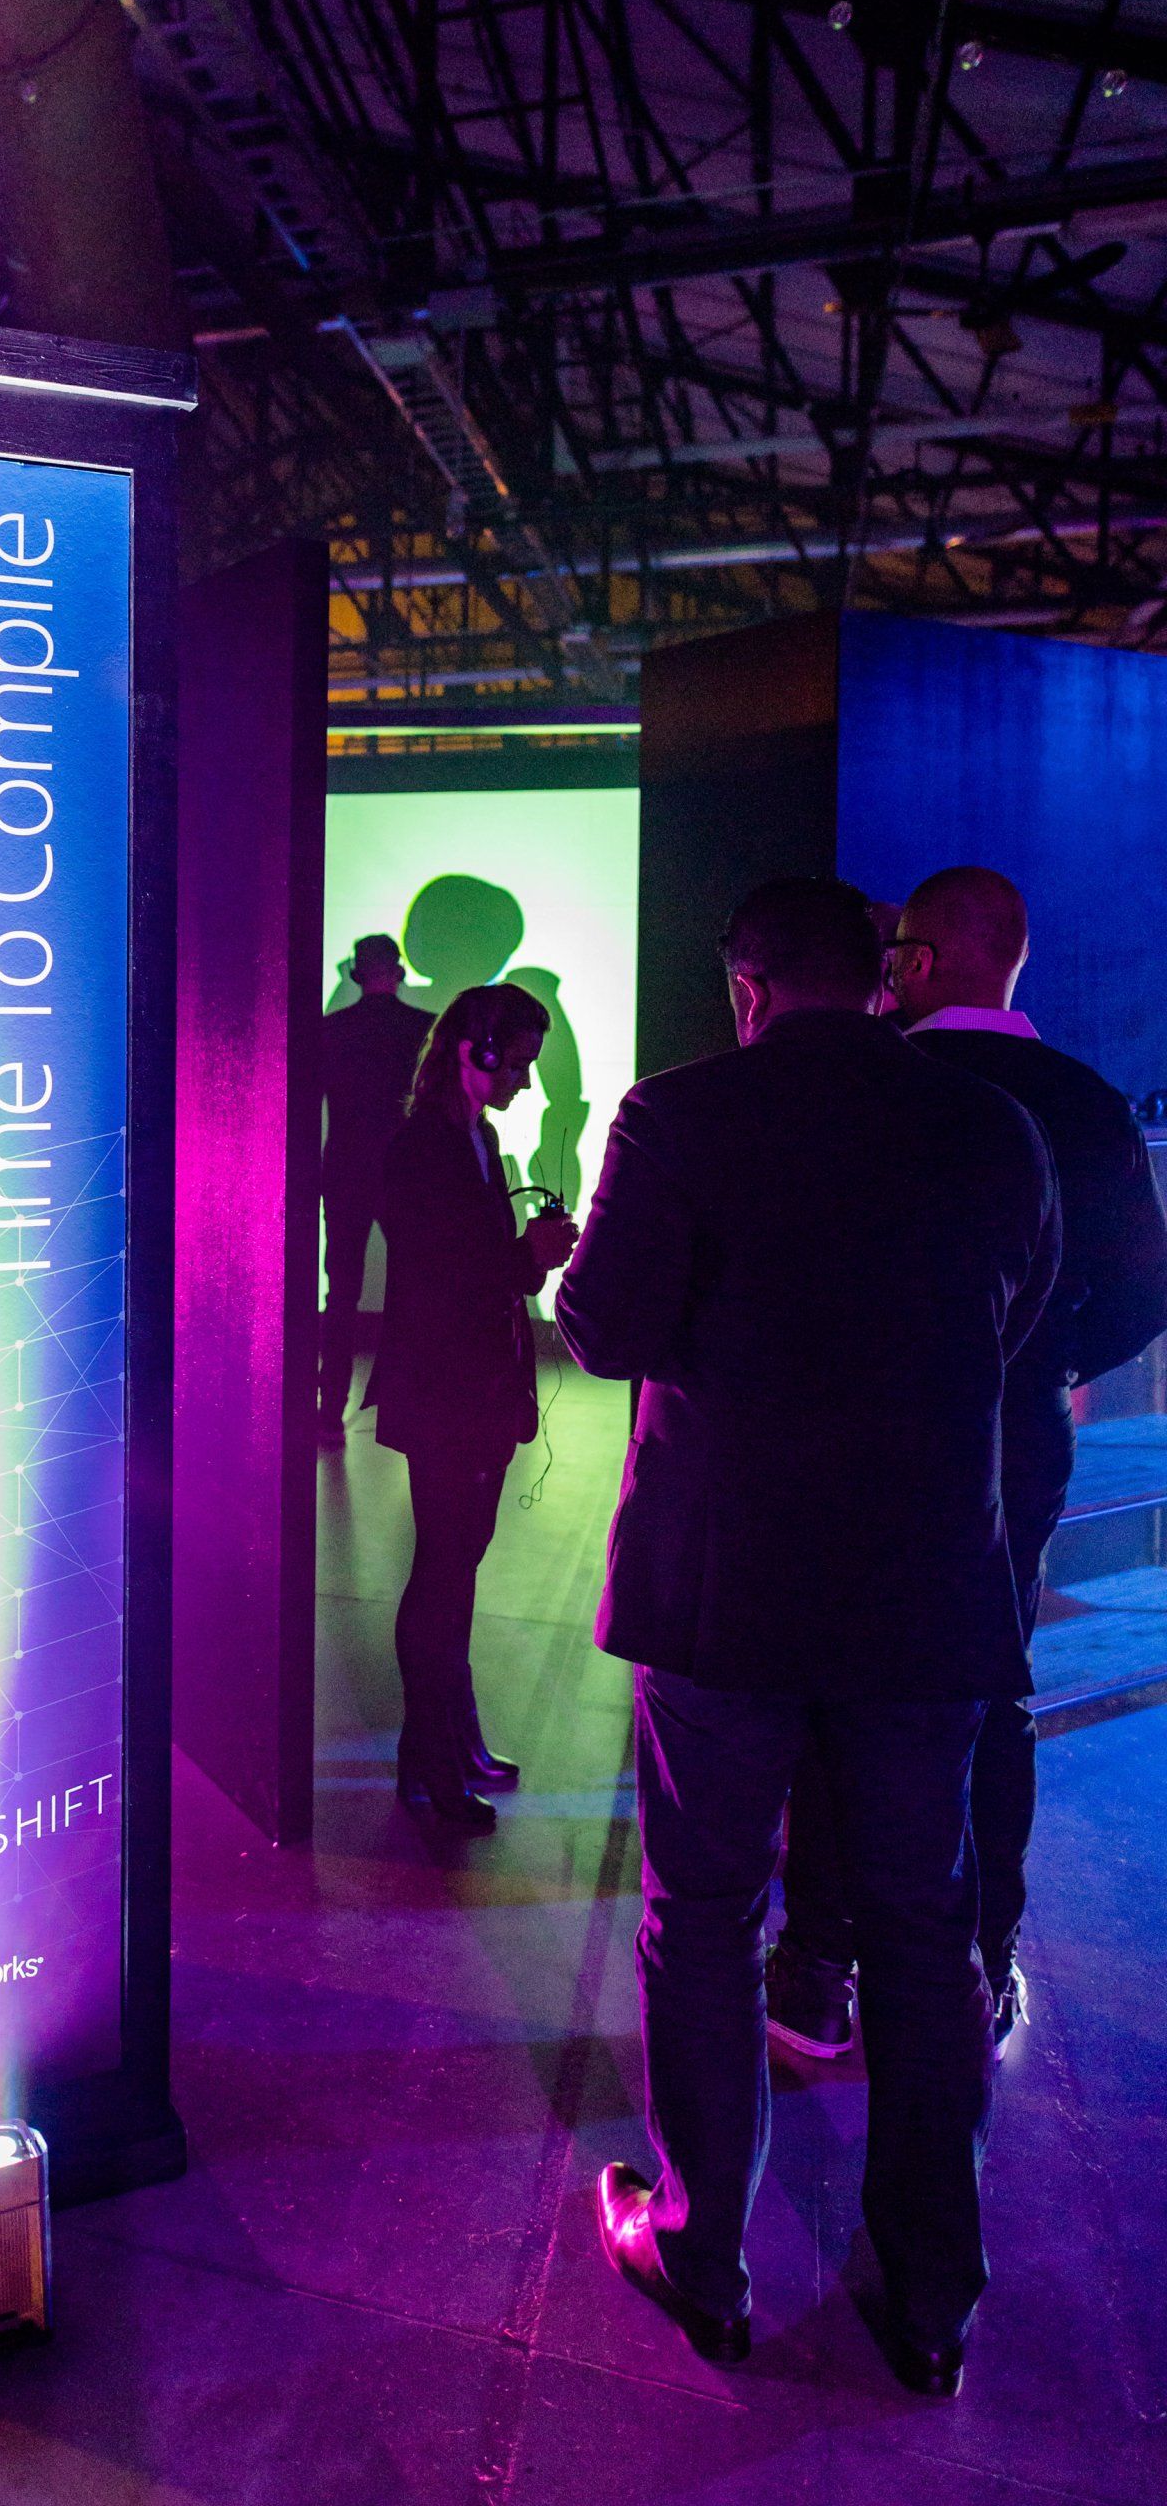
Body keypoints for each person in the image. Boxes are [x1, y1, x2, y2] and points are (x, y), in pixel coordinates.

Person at [556, 878, 1057, 2392]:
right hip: (924, 1588)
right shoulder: (991, 1125)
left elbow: (604, 1330)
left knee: (702, 1919)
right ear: (880, 979)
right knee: (921, 1932)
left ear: (750, 986)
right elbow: (1019, 1318)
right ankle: (934, 2299)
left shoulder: (675, 1114)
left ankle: (700, 2257)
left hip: (729, 1594)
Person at [772, 867, 1167, 2059]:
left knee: (842, 1688)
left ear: (921, 961)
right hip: (1013, 1435)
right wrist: (1048, 1360)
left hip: (858, 1435)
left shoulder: (871, 1085)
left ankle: (816, 1972)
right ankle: (978, 1969)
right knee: (992, 1688)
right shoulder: (1088, 1104)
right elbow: (1147, 1291)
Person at [368, 982, 578, 1831]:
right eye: (520, 1061)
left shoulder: (477, 1139)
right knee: (444, 1575)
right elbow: (439, 1281)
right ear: (476, 1052)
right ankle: (433, 1766)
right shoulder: (421, 1148)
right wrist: (526, 1257)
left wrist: (523, 1258)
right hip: (444, 1392)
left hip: (475, 1392)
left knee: (456, 1570)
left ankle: (451, 1744)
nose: (527, 1081)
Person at [319, 933, 429, 1440]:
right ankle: (417, 1401)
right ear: (400, 971)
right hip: (406, 1172)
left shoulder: (332, 1031)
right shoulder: (423, 1030)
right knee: (417, 1287)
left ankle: (329, 1413)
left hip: (344, 1171)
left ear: (356, 974)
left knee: (341, 1293)